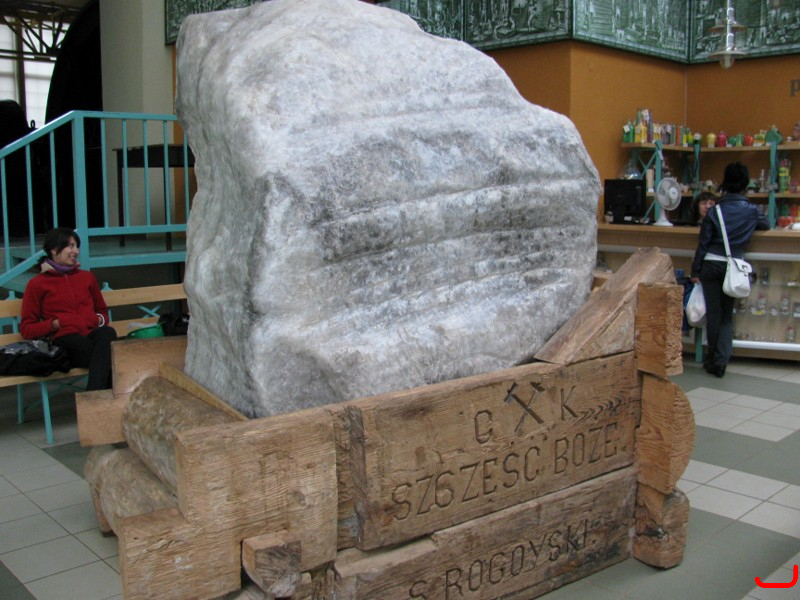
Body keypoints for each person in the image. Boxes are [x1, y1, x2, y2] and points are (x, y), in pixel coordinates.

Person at [690, 162, 769, 378]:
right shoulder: (752, 211)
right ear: (745, 184)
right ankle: (721, 361)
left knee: (713, 315)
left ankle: (711, 359)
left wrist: (695, 271)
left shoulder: (714, 211)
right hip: (733, 266)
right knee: (726, 316)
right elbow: (766, 225)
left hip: (710, 264)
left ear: (724, 183)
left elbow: (703, 244)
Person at [20, 228, 117, 390]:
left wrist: (96, 319)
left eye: (77, 246)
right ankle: (99, 399)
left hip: (91, 335)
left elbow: (102, 311)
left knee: (107, 333)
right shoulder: (37, 284)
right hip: (63, 340)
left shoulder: (86, 277)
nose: (76, 251)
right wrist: (55, 324)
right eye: (71, 246)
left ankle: (93, 396)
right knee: (109, 355)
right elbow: (27, 329)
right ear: (54, 249)